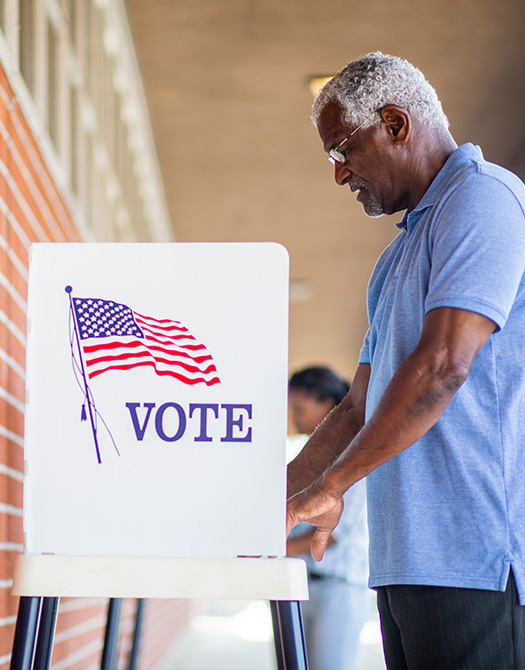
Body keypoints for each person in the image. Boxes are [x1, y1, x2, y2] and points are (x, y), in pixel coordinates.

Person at [286, 51, 525, 670]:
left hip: (475, 557)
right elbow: (356, 408)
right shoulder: (396, 258)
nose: (338, 174)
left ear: (395, 124)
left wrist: (332, 488)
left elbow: (445, 364)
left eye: (343, 149)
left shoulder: (483, 199)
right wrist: (277, 501)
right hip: (405, 559)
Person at [287, 366, 368, 670]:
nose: (294, 418)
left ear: (326, 405)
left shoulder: (353, 456)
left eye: (299, 409)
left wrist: (270, 548)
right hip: (300, 586)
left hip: (337, 590)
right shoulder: (304, 459)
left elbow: (333, 534)